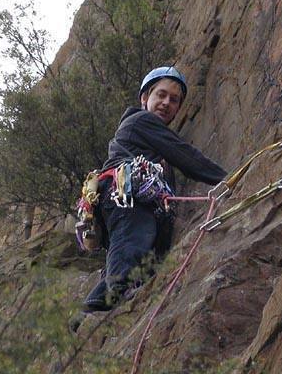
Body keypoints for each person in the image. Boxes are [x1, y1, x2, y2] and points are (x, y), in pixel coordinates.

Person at [83, 66, 227, 312]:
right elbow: (186, 156)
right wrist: (228, 179)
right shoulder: (141, 121)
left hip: (123, 203)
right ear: (144, 98)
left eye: (174, 100)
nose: (166, 103)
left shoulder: (148, 142)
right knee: (134, 242)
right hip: (125, 197)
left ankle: (92, 317)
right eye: (160, 95)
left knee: (136, 253)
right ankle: (96, 306)